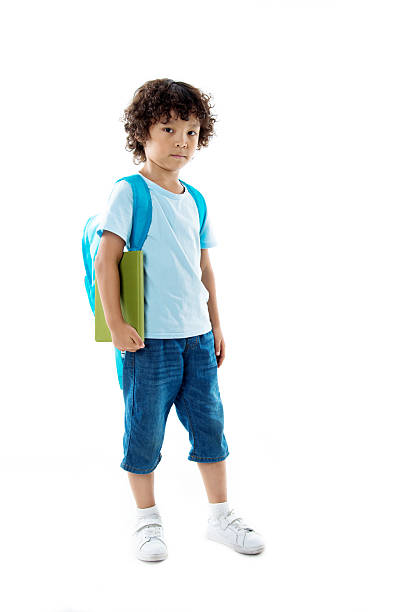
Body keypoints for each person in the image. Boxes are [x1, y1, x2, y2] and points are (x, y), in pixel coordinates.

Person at [94, 78, 264, 562]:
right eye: (168, 128)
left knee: (211, 428)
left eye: (191, 131)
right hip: (148, 343)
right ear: (141, 132)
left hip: (197, 338)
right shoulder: (128, 192)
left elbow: (204, 267)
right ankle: (146, 521)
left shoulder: (195, 199)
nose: (181, 142)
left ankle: (220, 516)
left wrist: (217, 326)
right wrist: (117, 324)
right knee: (143, 431)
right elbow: (107, 261)